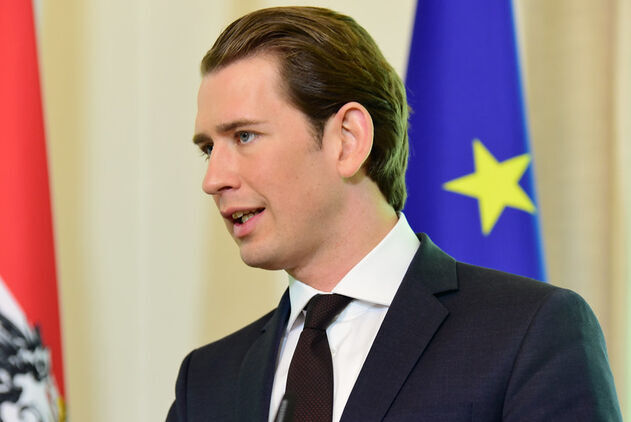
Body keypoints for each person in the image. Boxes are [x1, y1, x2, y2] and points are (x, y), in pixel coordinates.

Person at [168, 6, 621, 422]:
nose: (213, 179)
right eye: (208, 148)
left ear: (347, 140)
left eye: (244, 136)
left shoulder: (529, 331)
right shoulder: (206, 381)